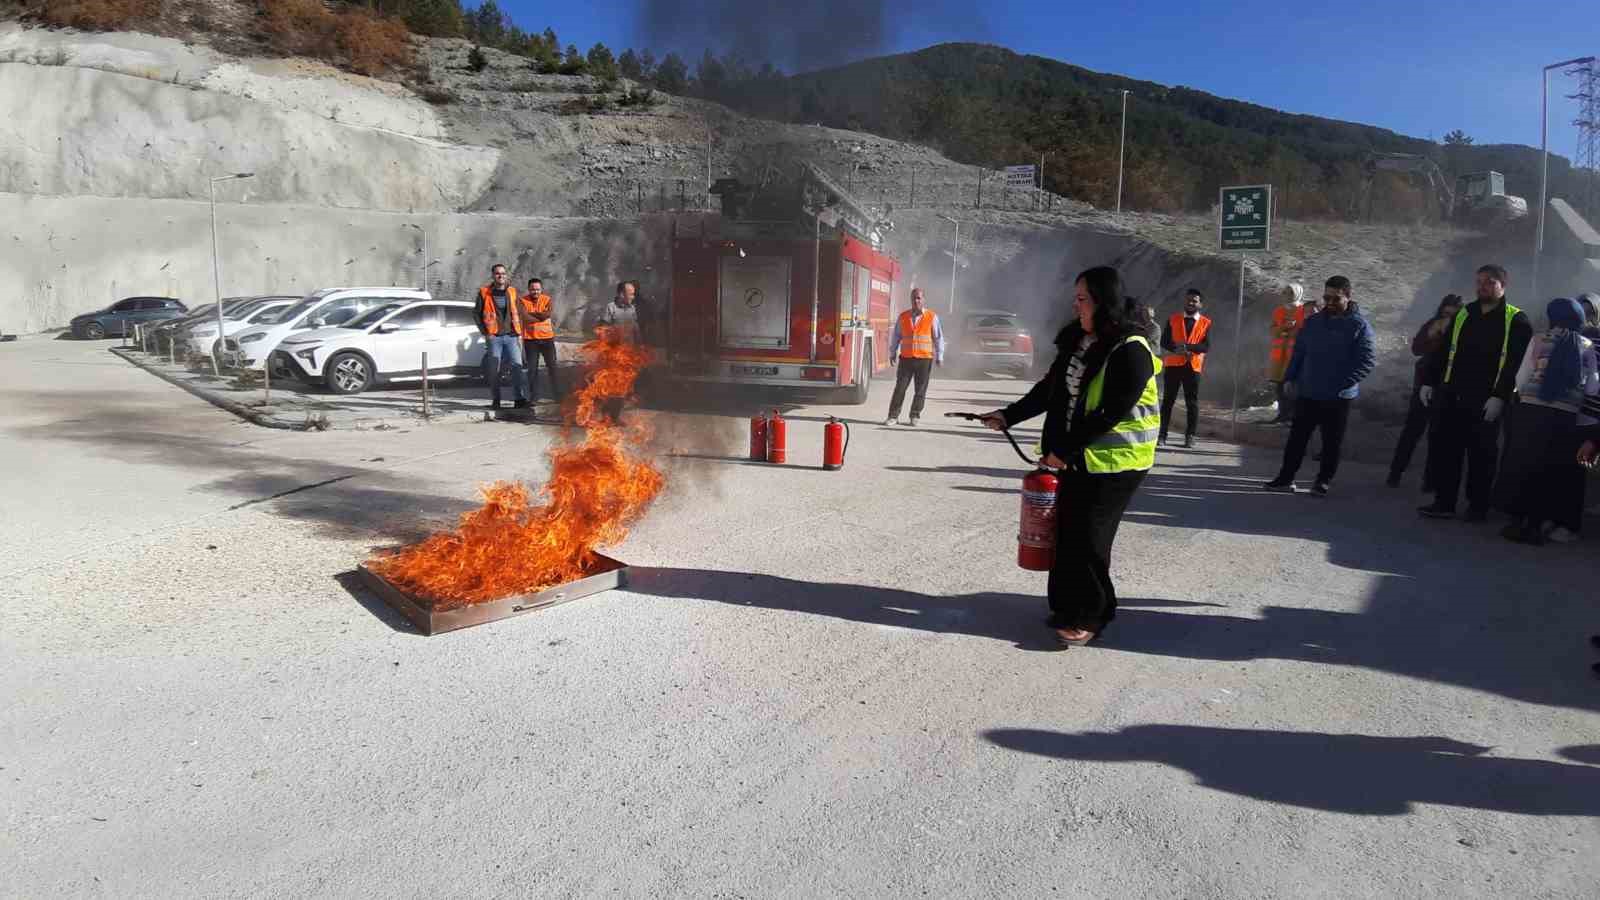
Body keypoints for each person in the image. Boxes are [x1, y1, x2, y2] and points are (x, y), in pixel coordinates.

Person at [978, 266, 1159, 647]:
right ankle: (1065, 607)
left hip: (1118, 463)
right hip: (1078, 457)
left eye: (1082, 299)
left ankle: (1092, 614)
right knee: (1066, 532)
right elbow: (1049, 391)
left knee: (1091, 538)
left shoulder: (1132, 350)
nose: (1075, 305)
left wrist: (1063, 451)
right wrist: (1007, 415)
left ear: (1103, 301)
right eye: (1075, 298)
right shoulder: (1079, 341)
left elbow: (1111, 412)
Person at [1418, 264, 1533, 521]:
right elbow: (1446, 349)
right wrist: (1429, 380)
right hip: (1452, 394)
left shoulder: (1516, 320)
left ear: (1503, 286)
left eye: (1490, 282)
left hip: (1485, 400)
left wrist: (1500, 396)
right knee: (1447, 451)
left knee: (1482, 456)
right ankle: (1444, 502)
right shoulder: (1465, 314)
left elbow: (1516, 364)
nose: (1482, 286)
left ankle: (1477, 507)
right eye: (1479, 281)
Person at [1493, 298, 1598, 544]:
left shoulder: (1539, 339)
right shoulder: (1586, 345)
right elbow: (1593, 388)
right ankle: (1536, 527)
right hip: (1565, 416)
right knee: (1549, 470)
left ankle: (1517, 522)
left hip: (1531, 412)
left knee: (1524, 465)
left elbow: (1521, 379)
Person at [1263, 276, 1376, 497]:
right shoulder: (1313, 323)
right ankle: (1285, 478)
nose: (1330, 302)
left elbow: (1367, 361)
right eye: (1326, 297)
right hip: (1308, 391)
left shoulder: (1359, 326)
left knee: (1331, 442)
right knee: (1297, 439)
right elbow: (1299, 353)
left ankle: (1322, 482)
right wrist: (1290, 378)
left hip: (1338, 396)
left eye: (1336, 298)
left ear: (1348, 296)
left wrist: (1342, 384)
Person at [1387, 295, 1464, 489]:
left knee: (1437, 436)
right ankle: (1395, 473)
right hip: (1423, 384)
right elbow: (1417, 349)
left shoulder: (1462, 330)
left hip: (1447, 386)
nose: (1448, 316)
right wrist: (1433, 334)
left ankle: (1430, 480)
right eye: (1446, 311)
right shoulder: (1432, 324)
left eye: (1452, 313)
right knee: (1411, 432)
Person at [883, 287, 945, 426]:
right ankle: (893, 416)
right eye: (914, 298)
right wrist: (892, 352)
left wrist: (939, 356)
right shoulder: (903, 316)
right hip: (906, 359)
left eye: (919, 298)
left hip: (924, 359)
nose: (916, 300)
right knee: (900, 388)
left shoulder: (932, 316)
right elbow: (896, 336)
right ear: (910, 300)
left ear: (924, 300)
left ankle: (914, 415)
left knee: (920, 390)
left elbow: (938, 337)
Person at [1159, 288, 1211, 448]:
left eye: (1194, 300)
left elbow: (1206, 346)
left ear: (1200, 304)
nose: (1190, 302)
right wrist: (1176, 349)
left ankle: (1190, 436)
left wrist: (1188, 348)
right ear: (1184, 301)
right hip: (1174, 365)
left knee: (1192, 403)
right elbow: (1164, 341)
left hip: (1192, 366)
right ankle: (1162, 435)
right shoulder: (1173, 319)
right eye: (1188, 299)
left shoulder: (1205, 323)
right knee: (1168, 401)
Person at [475, 263, 528, 410]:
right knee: (495, 370)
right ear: (493, 275)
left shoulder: (512, 291)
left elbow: (518, 313)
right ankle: (496, 400)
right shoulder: (484, 292)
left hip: (511, 336)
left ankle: (519, 399)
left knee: (517, 367)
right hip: (495, 338)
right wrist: (486, 333)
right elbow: (476, 314)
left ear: (506, 275)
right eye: (498, 273)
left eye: (503, 273)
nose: (501, 276)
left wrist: (519, 334)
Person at [1267, 282, 1311, 423]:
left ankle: (1294, 416)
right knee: (1279, 386)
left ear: (1298, 294)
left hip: (1294, 355)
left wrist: (1293, 329)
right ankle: (1282, 414)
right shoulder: (1278, 311)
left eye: (1290, 292)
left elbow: (1306, 332)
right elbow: (1272, 331)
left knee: (1293, 386)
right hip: (1279, 356)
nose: (1286, 295)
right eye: (1285, 292)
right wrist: (1283, 327)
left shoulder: (1303, 310)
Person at [520, 277, 560, 404]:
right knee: (532, 370)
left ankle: (557, 395)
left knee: (552, 368)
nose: (535, 292)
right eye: (533, 289)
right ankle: (534, 397)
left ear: (541, 289)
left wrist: (532, 314)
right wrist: (538, 315)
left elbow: (546, 315)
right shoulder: (522, 301)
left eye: (537, 289)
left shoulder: (547, 299)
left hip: (547, 339)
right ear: (529, 289)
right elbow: (525, 318)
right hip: (530, 340)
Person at [597, 280, 644, 345]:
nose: (633, 297)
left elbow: (636, 328)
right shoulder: (611, 307)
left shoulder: (633, 309)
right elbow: (603, 329)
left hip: (629, 350)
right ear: (622, 295)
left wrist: (640, 344)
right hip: (615, 350)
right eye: (631, 294)